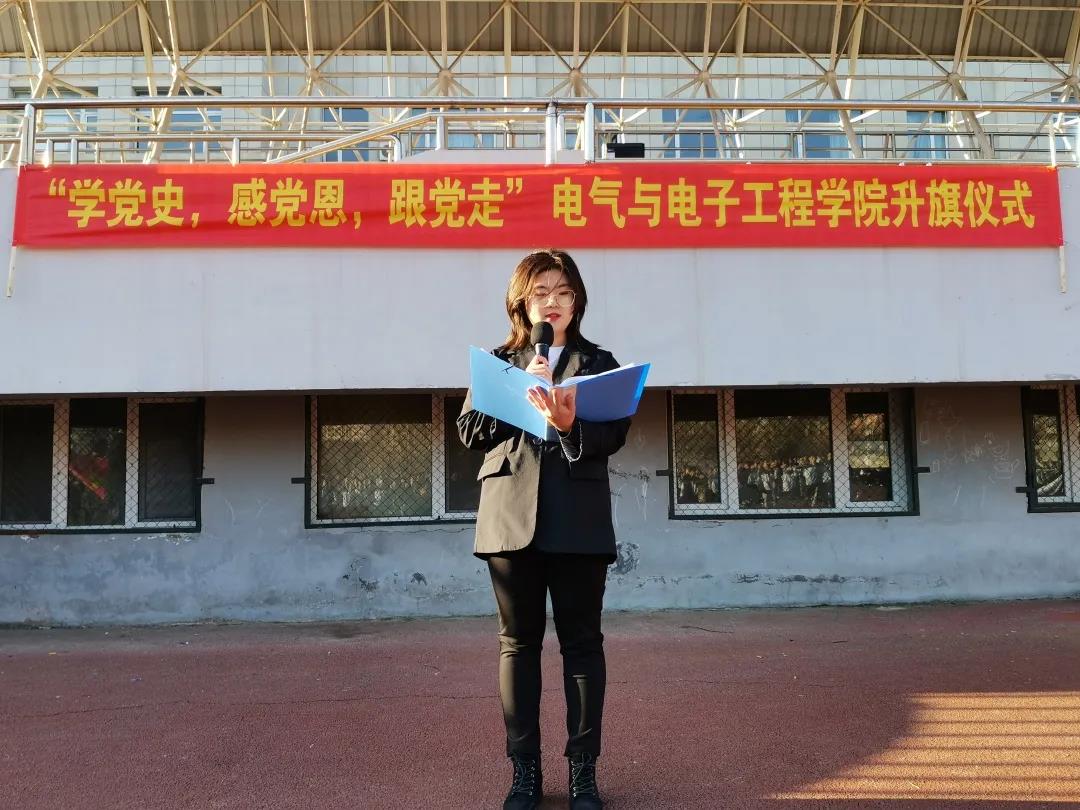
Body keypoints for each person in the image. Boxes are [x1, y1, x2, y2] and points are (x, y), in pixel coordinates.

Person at [457, 249, 631, 810]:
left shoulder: (599, 362)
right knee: (517, 645)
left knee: (582, 645)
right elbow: (469, 431)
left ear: (576, 302)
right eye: (540, 292)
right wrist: (516, 395)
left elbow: (614, 435)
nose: (552, 302)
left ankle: (583, 773)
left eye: (563, 292)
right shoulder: (498, 362)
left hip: (578, 520)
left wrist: (570, 424)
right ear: (521, 303)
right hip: (511, 521)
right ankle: (524, 774)